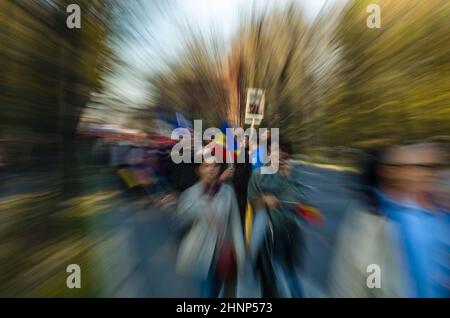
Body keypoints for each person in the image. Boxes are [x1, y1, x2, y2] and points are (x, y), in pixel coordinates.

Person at [331, 143, 450, 297]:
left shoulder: (441, 212)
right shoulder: (372, 220)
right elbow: (363, 280)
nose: (431, 174)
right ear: (394, 171)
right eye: (423, 166)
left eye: (436, 167)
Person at [175, 160, 246, 297]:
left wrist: (240, 253)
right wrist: (204, 201)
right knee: (207, 292)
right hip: (200, 253)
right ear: (199, 170)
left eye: (215, 165)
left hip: (221, 252)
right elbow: (182, 219)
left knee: (217, 291)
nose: (211, 169)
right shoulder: (190, 194)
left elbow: (234, 223)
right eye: (206, 166)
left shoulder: (228, 192)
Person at [247, 139, 306, 297]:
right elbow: (252, 202)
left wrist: (287, 177)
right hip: (266, 233)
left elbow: (298, 201)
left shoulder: (293, 175)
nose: (279, 154)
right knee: (267, 276)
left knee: (289, 273)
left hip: (288, 231)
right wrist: (264, 199)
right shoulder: (258, 175)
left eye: (282, 151)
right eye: (275, 150)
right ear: (267, 154)